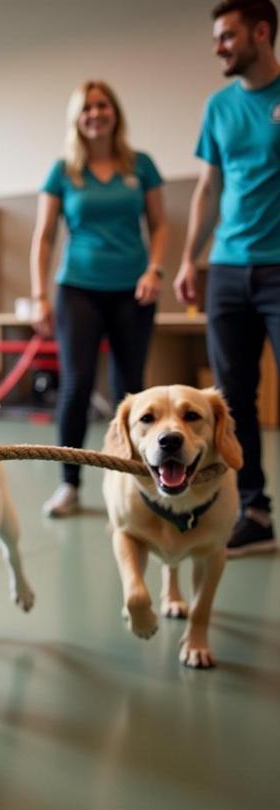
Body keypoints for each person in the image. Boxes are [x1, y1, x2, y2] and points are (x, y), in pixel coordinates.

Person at [30, 79, 168, 517]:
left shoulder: (140, 165)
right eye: (87, 107)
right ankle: (69, 484)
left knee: (134, 385)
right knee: (78, 384)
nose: (95, 113)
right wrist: (39, 295)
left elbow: (161, 225)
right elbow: (44, 235)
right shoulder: (63, 171)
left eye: (102, 105)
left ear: (115, 112)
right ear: (78, 118)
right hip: (78, 289)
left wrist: (155, 269)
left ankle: (139, 477)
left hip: (133, 288)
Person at [174, 0, 280, 556]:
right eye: (216, 37)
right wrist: (191, 258)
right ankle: (256, 509)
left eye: (227, 35)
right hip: (229, 269)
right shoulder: (219, 108)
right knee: (234, 397)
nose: (218, 46)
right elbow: (209, 188)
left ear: (261, 33)